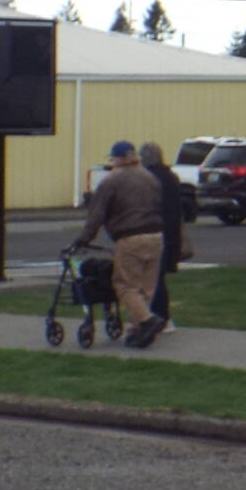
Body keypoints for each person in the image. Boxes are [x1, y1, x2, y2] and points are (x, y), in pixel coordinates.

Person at [70, 141, 168, 348]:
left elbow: (97, 214)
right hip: (156, 236)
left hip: (130, 237)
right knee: (146, 287)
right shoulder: (150, 177)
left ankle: (148, 321)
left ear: (118, 158)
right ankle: (138, 330)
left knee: (125, 285)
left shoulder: (112, 180)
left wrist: (83, 239)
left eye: (112, 158)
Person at [137, 140, 191, 328]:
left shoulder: (148, 179)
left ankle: (160, 318)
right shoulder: (171, 177)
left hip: (154, 233)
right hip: (171, 234)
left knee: (152, 278)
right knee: (157, 277)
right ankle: (159, 317)